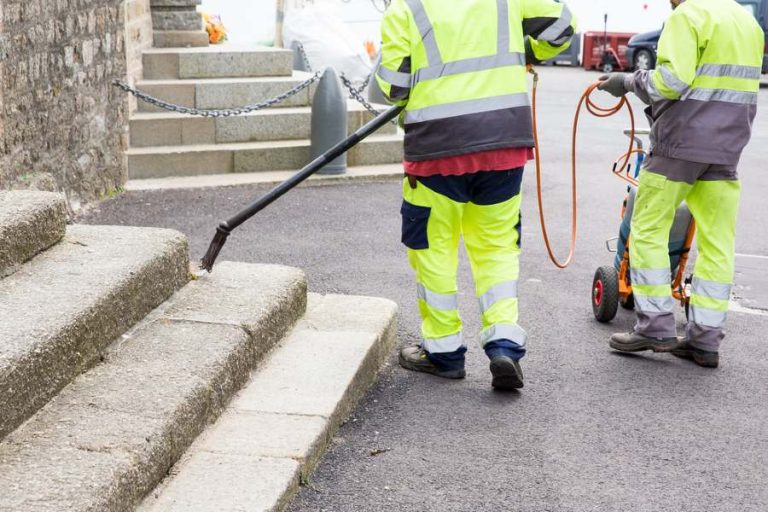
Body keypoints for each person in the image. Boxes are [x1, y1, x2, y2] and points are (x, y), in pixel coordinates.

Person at [375, 0, 576, 389]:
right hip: (503, 141)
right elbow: (561, 28)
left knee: (434, 250)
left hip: (438, 147)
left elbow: (393, 87)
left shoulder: (406, 7)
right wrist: (525, 50)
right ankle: (503, 342)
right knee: (497, 248)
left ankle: (444, 352)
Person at [598, 0, 764, 368]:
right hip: (727, 148)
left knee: (647, 229)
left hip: (679, 144)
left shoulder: (687, 16)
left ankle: (655, 326)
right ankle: (705, 339)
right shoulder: (747, 21)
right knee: (718, 241)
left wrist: (626, 82)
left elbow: (671, 82)